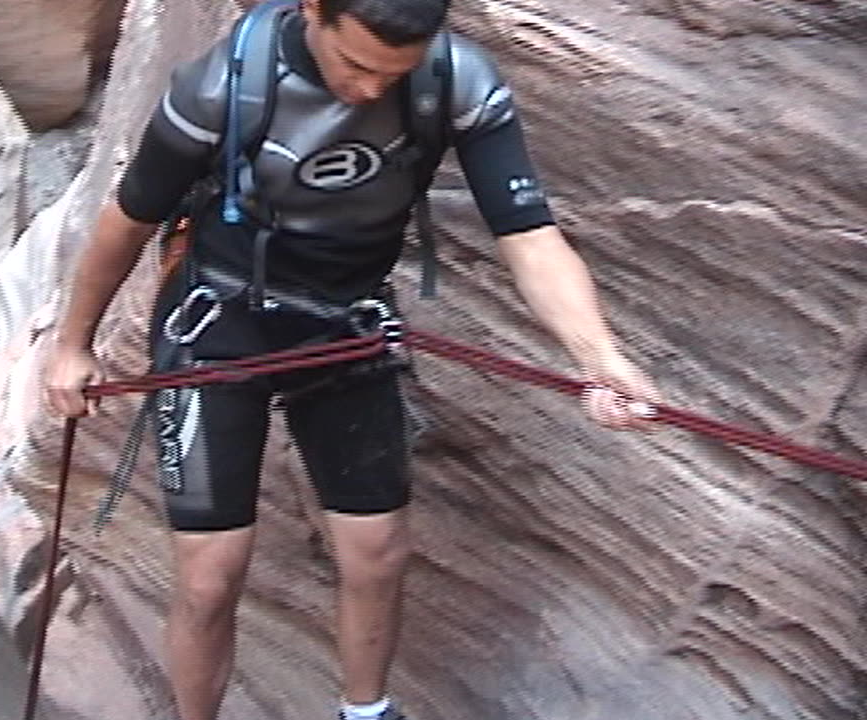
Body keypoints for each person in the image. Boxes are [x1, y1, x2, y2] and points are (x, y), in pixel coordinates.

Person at [45, 0, 663, 718]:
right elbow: (130, 216)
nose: (371, 90)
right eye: (358, 65)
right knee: (210, 574)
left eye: (392, 74)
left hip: (347, 321)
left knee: (377, 550)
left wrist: (599, 357)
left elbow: (527, 234)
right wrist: (72, 345)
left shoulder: (455, 81)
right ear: (313, 10)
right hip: (219, 318)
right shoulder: (225, 85)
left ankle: (366, 713)